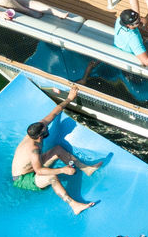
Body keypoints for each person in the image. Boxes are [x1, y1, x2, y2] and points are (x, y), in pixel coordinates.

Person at [10, 87, 105, 215]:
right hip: (22, 178)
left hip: (31, 167)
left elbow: (54, 113)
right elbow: (39, 170)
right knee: (51, 176)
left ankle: (86, 168)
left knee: (57, 150)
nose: (47, 126)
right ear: (40, 136)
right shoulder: (34, 149)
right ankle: (74, 205)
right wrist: (63, 170)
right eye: (45, 129)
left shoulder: (38, 128)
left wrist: (69, 99)